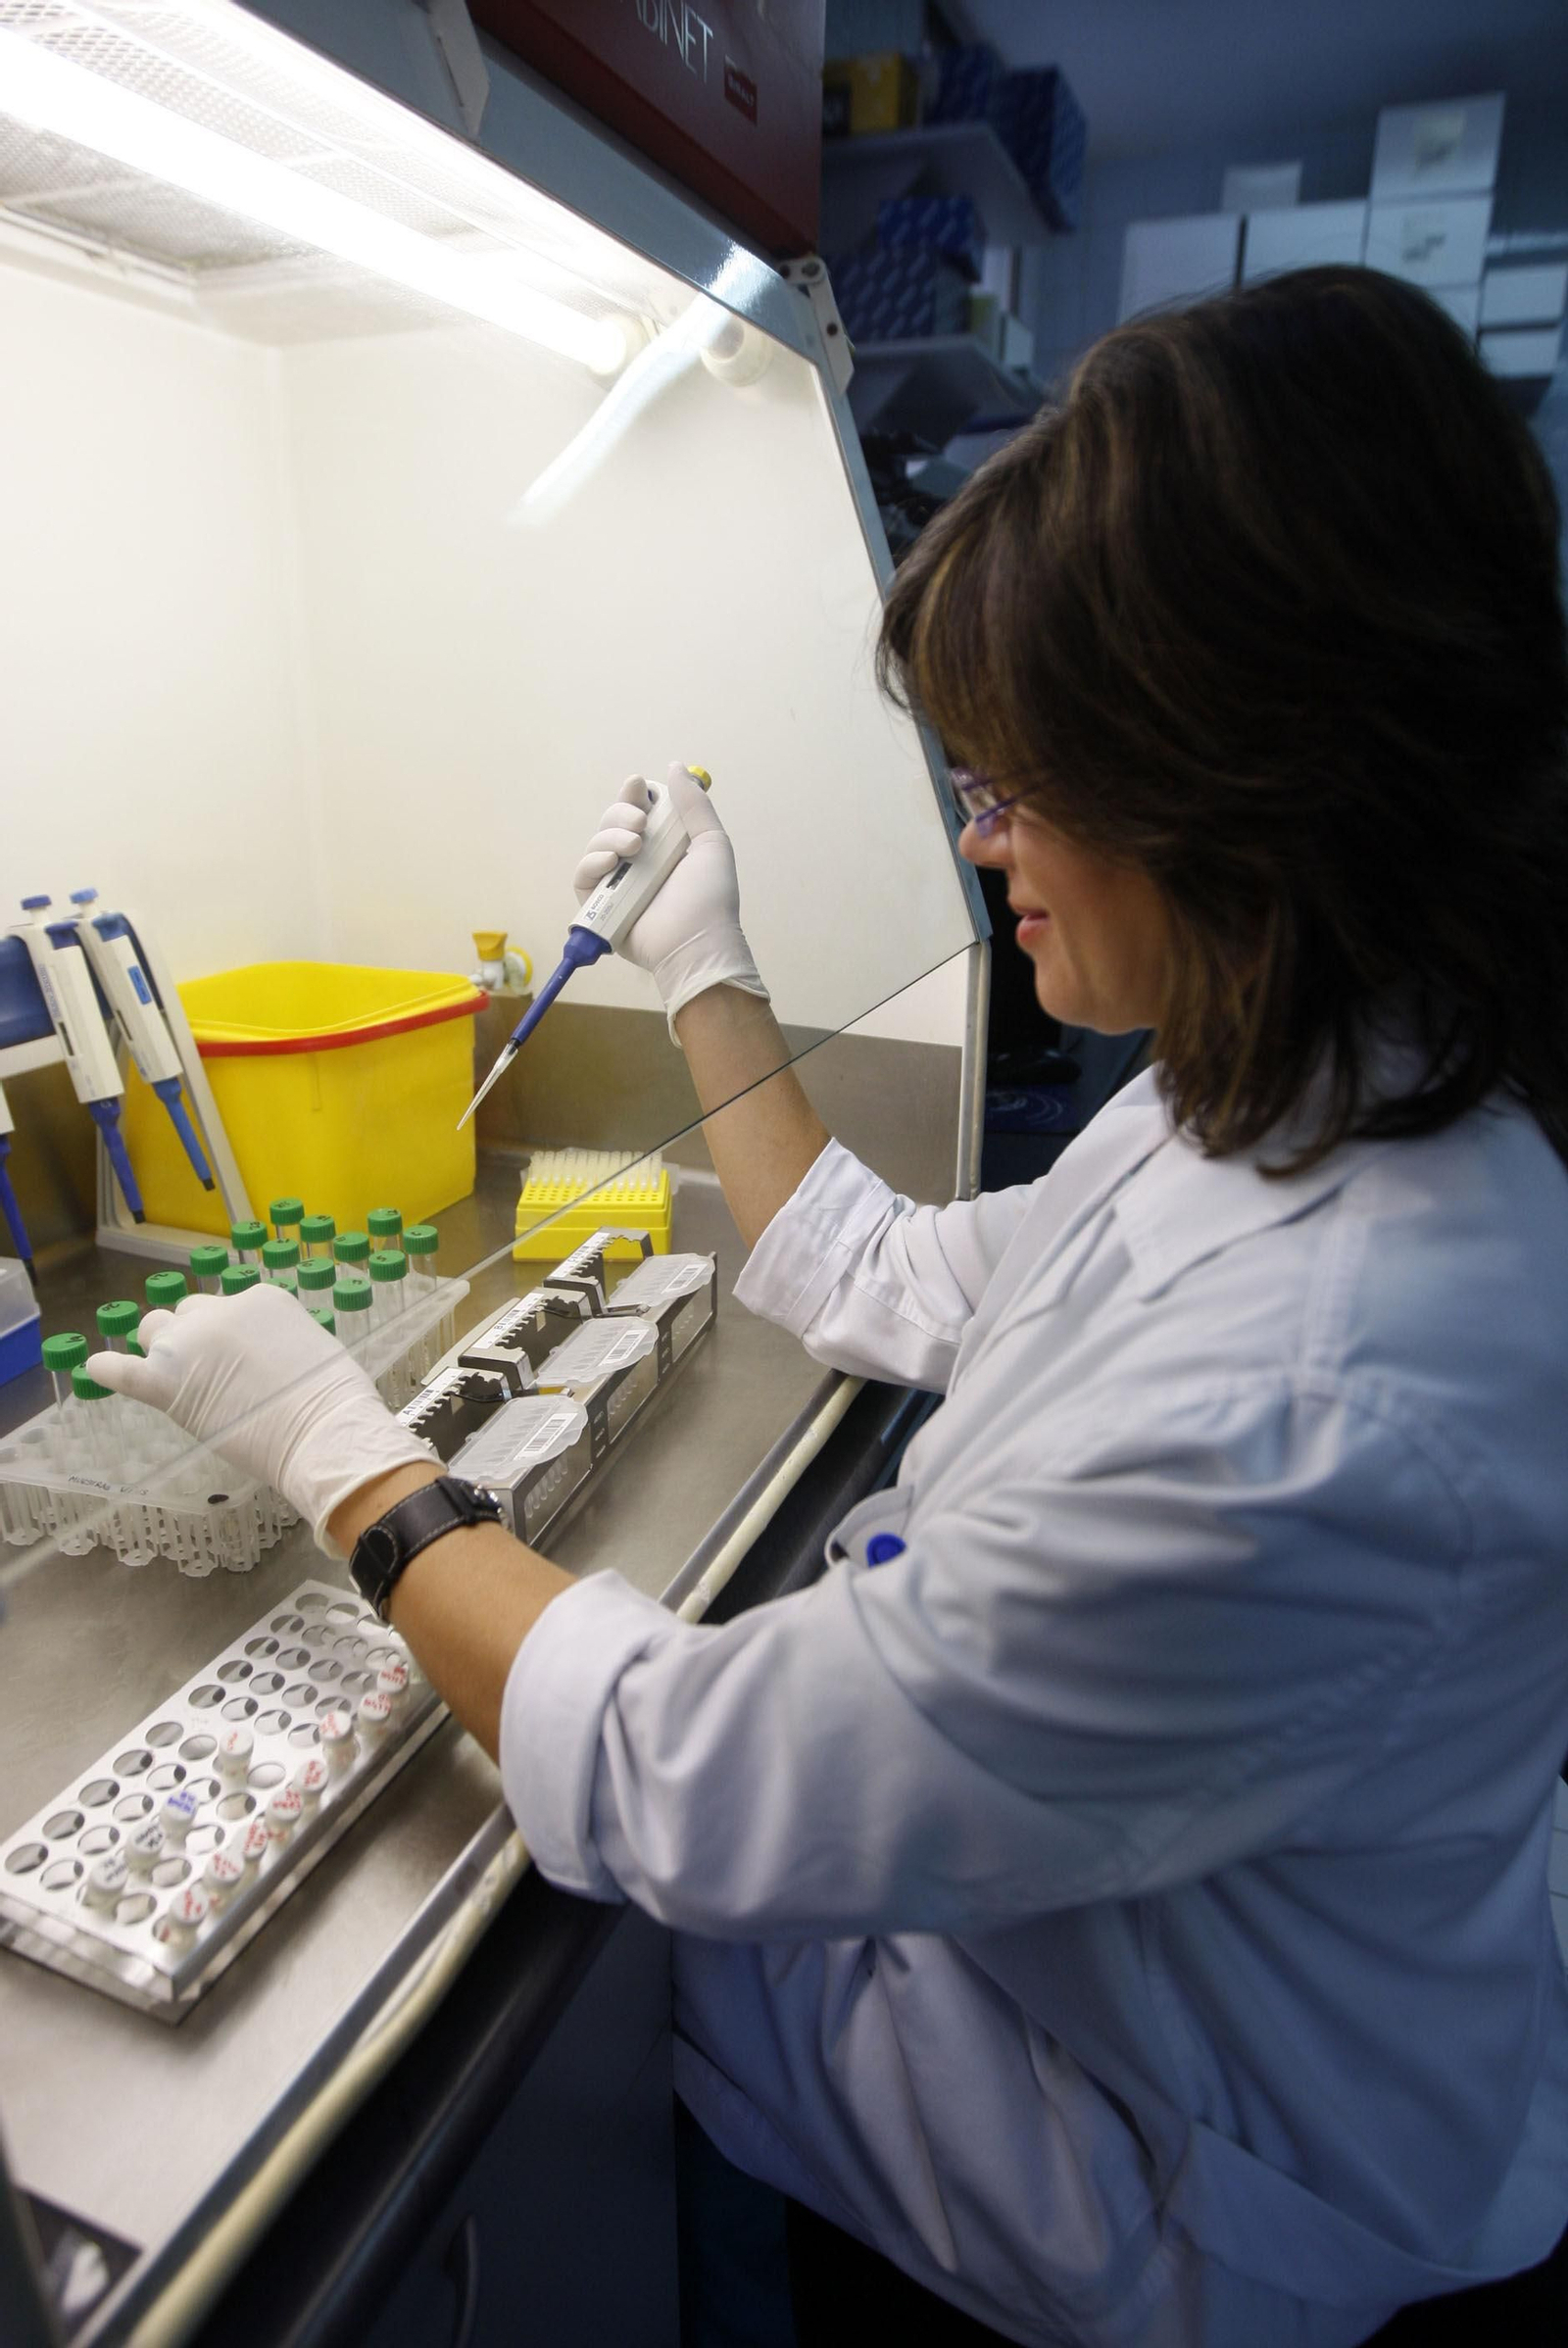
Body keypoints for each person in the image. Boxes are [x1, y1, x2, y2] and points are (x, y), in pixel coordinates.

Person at [90, 266, 1568, 2348]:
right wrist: (707, 964)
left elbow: (687, 1777)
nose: (978, 841)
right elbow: (879, 1271)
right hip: (1103, 1964)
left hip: (1178, 2191)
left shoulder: (1324, 1390)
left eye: (1021, 779)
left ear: (1242, 788)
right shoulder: (1288, 1102)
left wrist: (345, 1456)